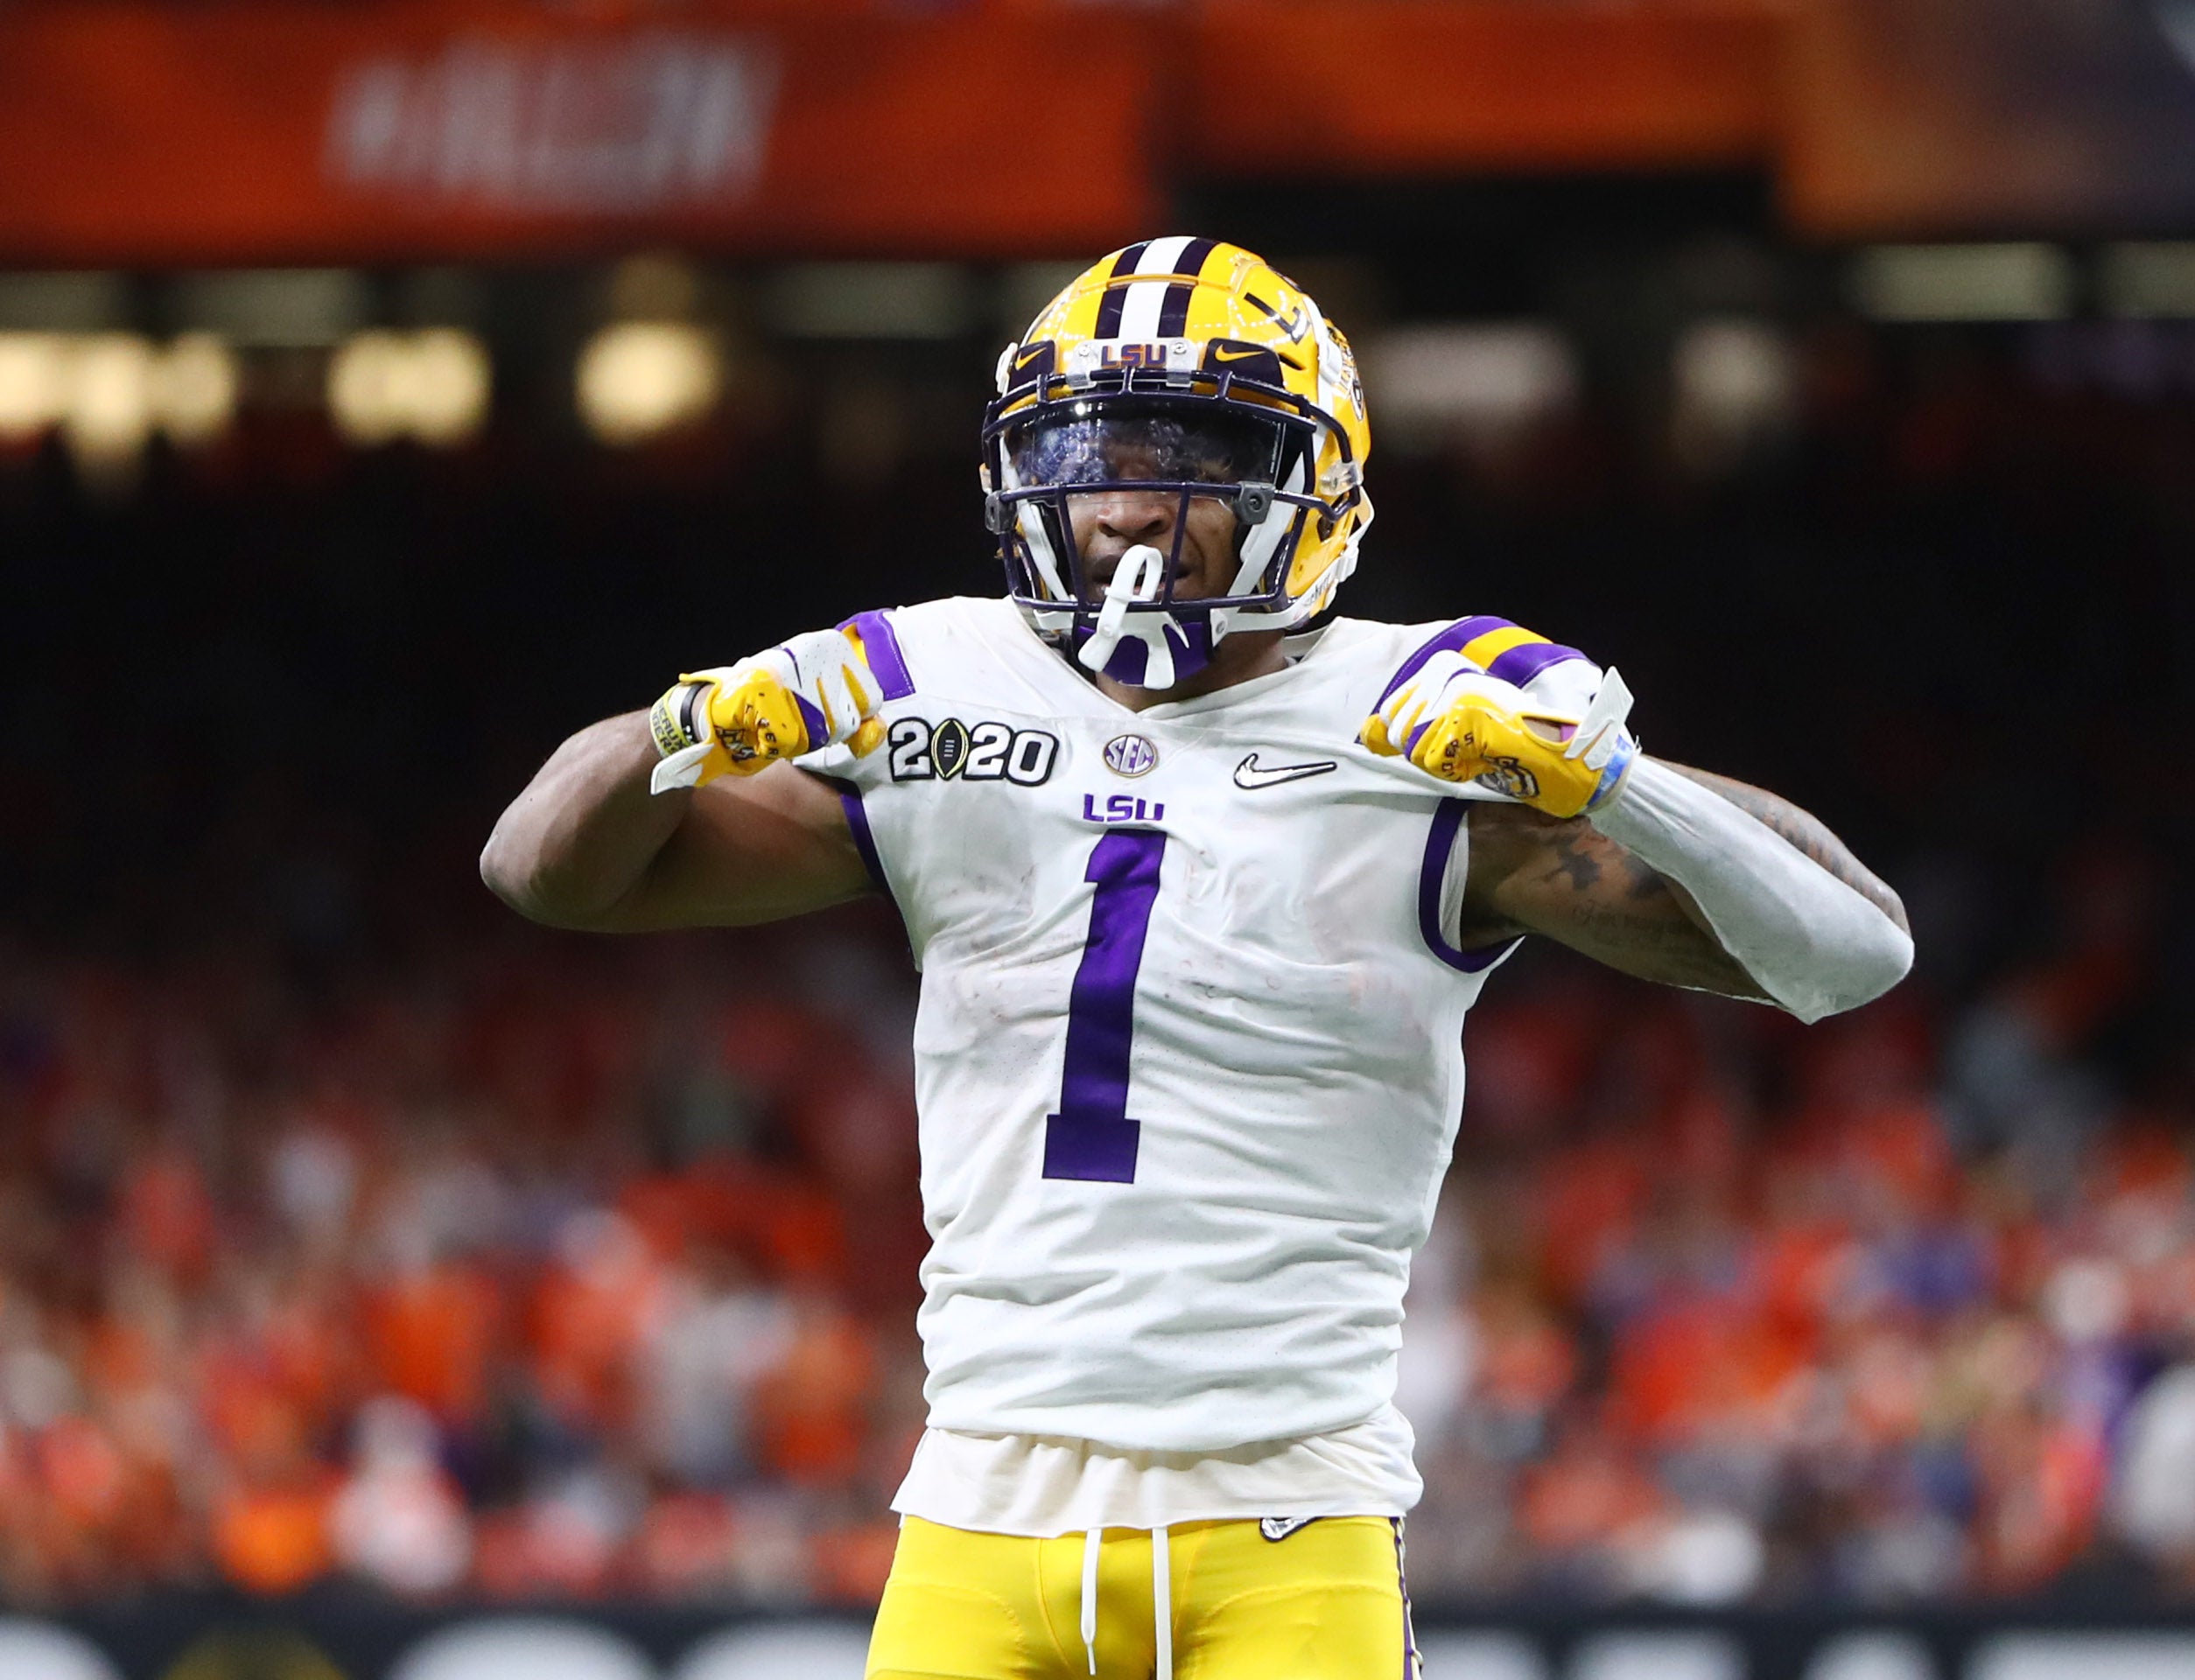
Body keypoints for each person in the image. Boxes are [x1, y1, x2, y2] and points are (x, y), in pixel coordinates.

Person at [481, 237, 1912, 1679]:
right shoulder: (941, 686)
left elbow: (1849, 954)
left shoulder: (1424, 716)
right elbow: (542, 872)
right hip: (982, 1504)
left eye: (1189, 449)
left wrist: (1613, 780)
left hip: (1284, 1519)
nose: (1121, 500)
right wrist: (688, 724)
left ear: (1315, 478)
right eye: (1089, 448)